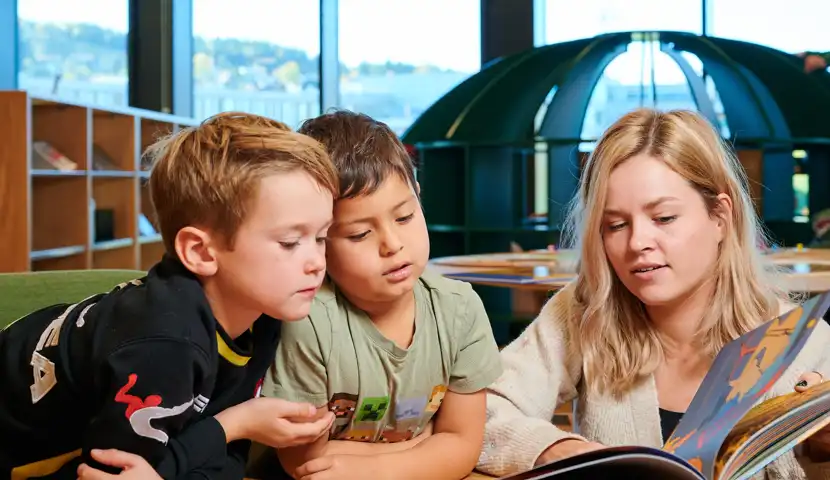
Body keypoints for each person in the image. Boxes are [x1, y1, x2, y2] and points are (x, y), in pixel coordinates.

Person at [476, 108, 830, 479]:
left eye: (664, 218)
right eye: (615, 224)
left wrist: (818, 451)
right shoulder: (584, 311)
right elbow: (482, 412)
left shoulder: (804, 342)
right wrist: (563, 451)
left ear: (720, 218)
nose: (637, 242)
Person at [0, 112, 338, 479]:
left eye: (321, 237)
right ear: (200, 252)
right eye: (290, 242)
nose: (317, 262)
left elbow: (218, 462)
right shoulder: (164, 346)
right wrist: (234, 424)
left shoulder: (264, 312)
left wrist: (228, 430)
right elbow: (111, 474)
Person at [250, 110, 503, 480]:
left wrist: (374, 467)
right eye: (358, 234)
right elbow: (304, 463)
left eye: (404, 218)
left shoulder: (459, 309)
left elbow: (464, 446)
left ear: (418, 197)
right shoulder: (307, 319)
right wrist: (426, 445)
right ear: (318, 238)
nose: (393, 245)